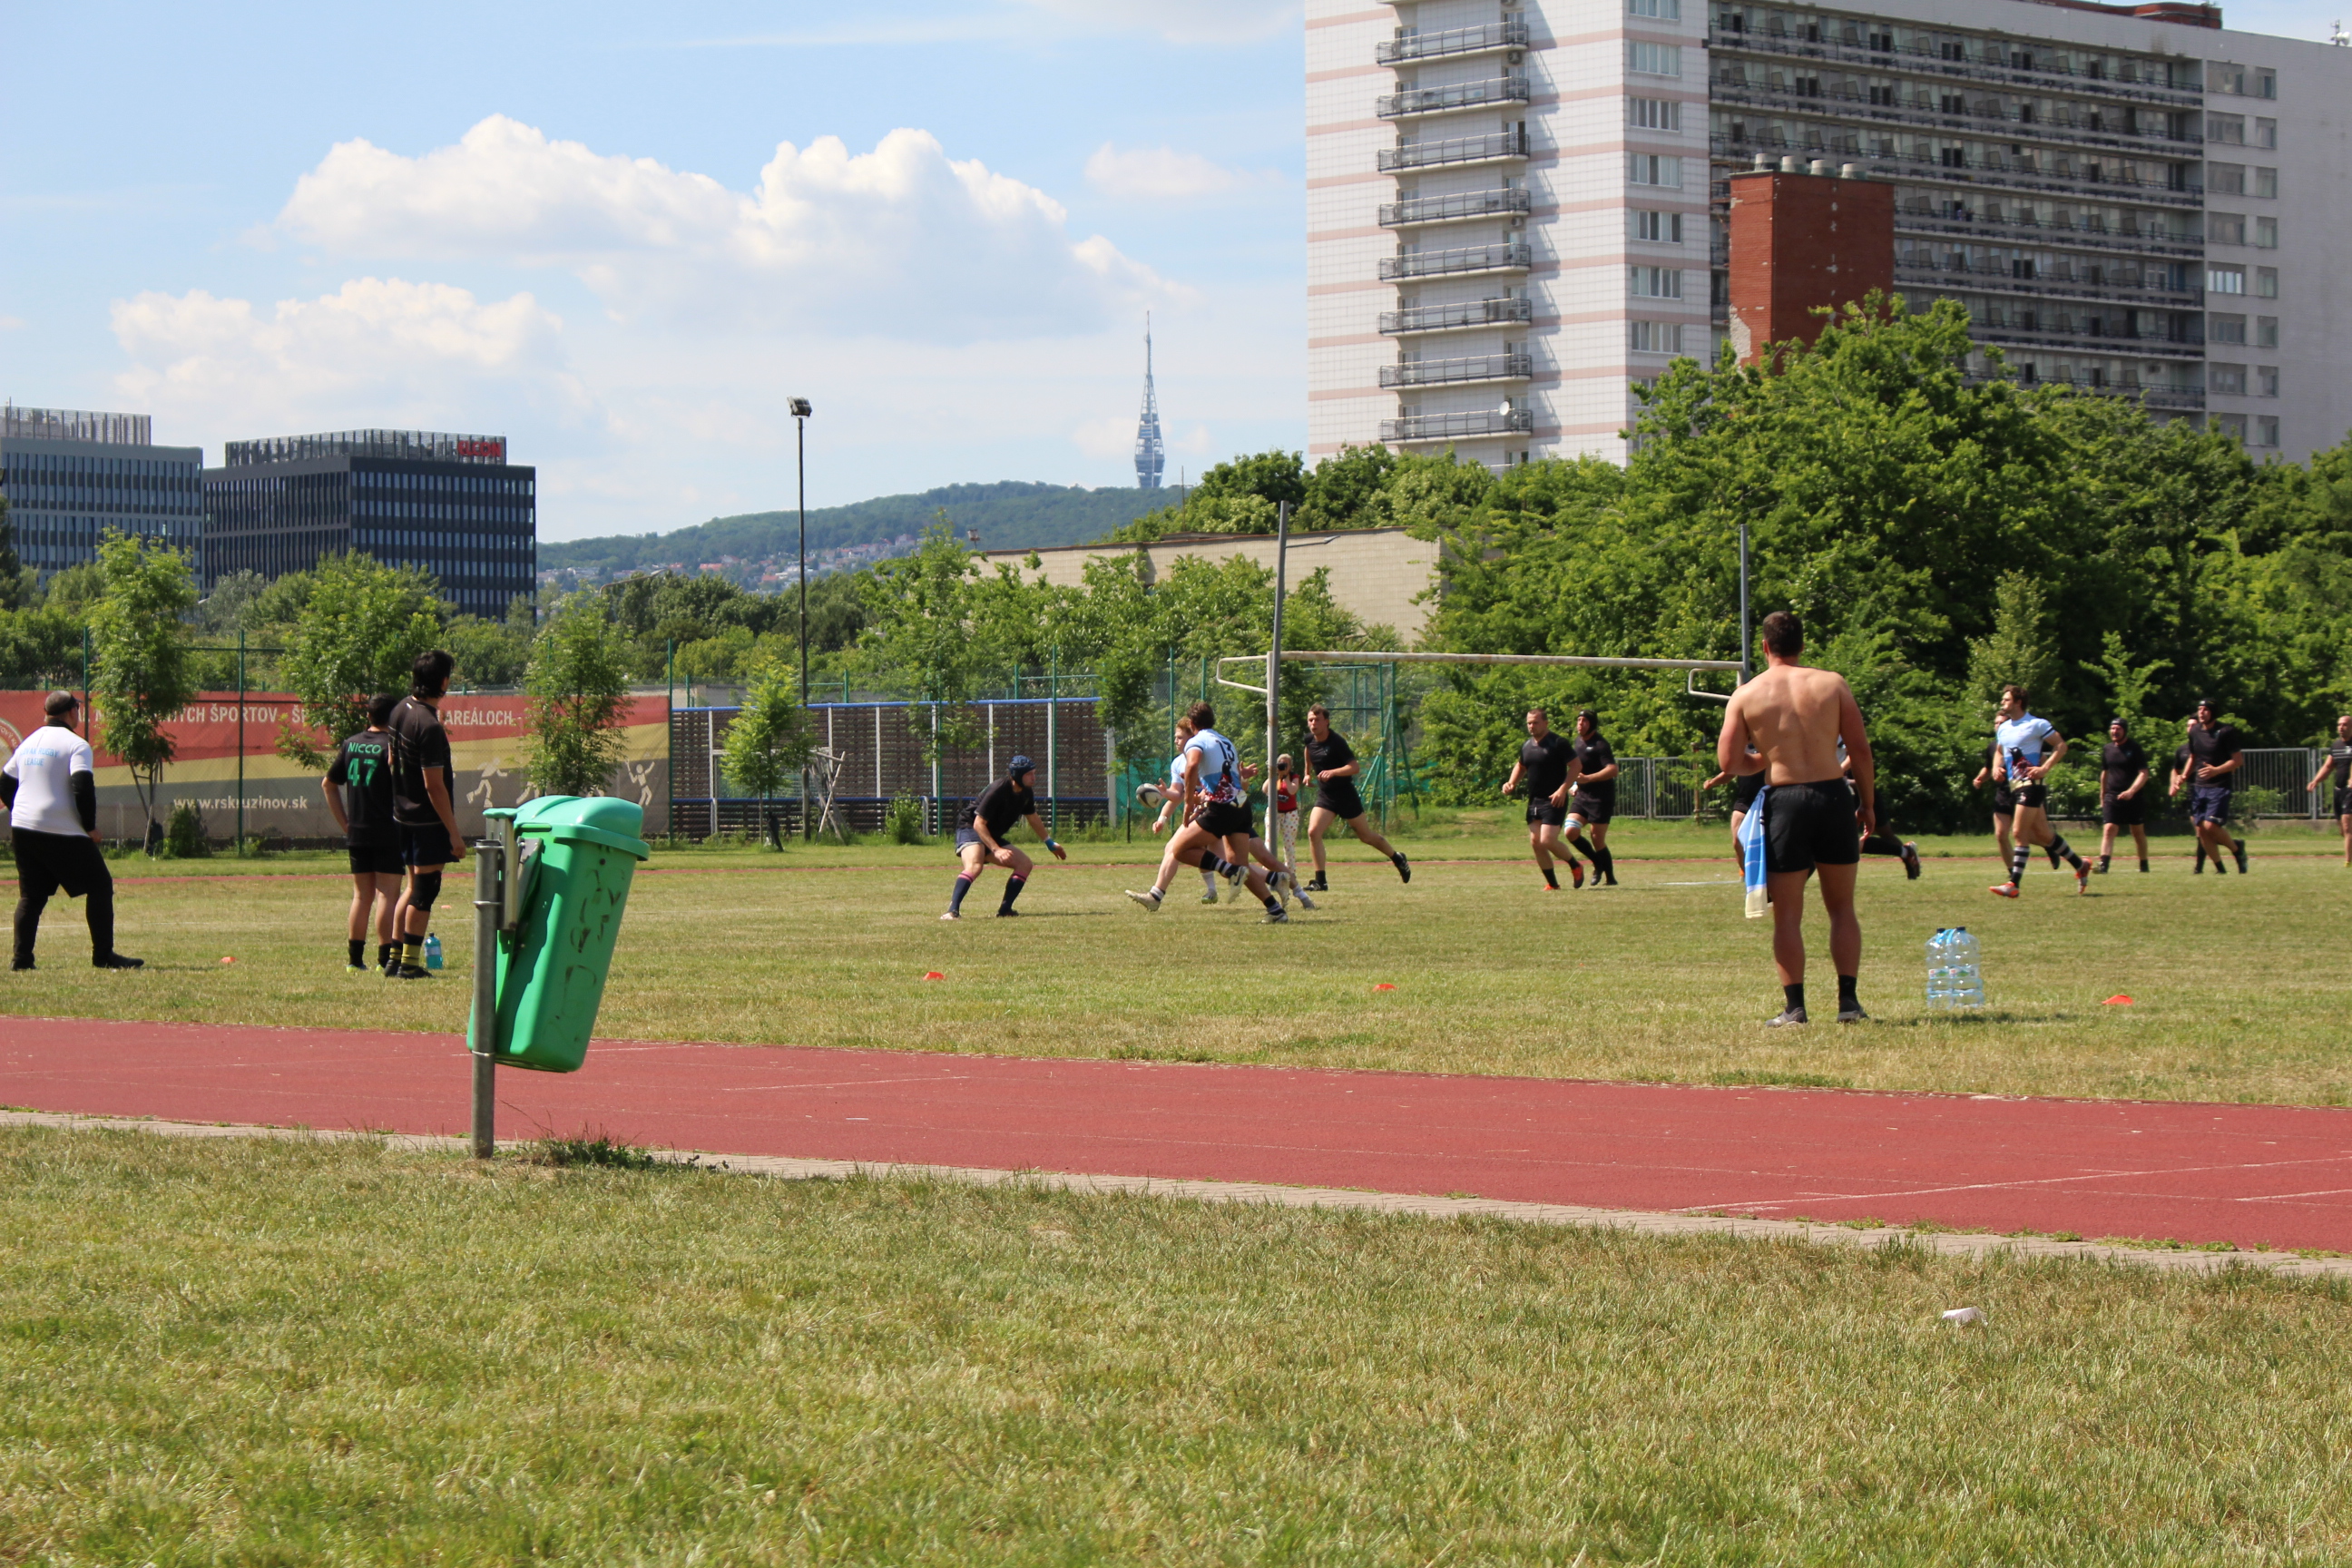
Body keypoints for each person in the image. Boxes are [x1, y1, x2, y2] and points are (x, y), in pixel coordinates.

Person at [1717, 612, 1870, 1025]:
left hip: (1785, 802)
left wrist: (1767, 758)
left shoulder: (1746, 694)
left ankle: (1795, 1008)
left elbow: (1729, 761)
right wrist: (1868, 805)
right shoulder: (1833, 683)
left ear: (1765, 646)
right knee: (1842, 908)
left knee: (1787, 914)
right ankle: (1849, 1004)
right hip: (1833, 795)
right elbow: (1860, 749)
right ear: (1803, 645)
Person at [3, 691, 141, 971]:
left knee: (31, 896)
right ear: (72, 711)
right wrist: (89, 827)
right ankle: (103, 956)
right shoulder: (77, 744)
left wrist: (22, 809)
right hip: (60, 829)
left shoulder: (29, 742)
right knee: (100, 885)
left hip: (23, 827)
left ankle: (22, 960)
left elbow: (4, 782)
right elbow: (82, 786)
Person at [1125, 702, 1289, 921]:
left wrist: (1187, 803)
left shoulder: (1197, 741)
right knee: (1240, 865)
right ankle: (1275, 910)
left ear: (1192, 723)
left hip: (1222, 808)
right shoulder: (1225, 741)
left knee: (1179, 849)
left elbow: (1192, 765)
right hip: (1242, 806)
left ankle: (1230, 872)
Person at [387, 651, 465, 980]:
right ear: (444, 681)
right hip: (427, 821)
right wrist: (454, 833)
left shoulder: (401, 709)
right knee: (426, 889)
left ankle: (394, 959)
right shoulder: (429, 725)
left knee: (412, 886)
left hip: (403, 815)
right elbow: (434, 785)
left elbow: (392, 760)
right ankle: (409, 964)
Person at [1987, 684, 2091, 899]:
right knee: (2044, 835)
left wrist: (2045, 768)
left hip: (2031, 785)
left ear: (2018, 702)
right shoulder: (2004, 728)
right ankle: (2080, 865)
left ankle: (2013, 884)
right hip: (2014, 786)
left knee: (2018, 833)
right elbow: (1999, 751)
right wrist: (1996, 767)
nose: (2002, 703)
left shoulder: (2036, 724)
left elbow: (2061, 746)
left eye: (2006, 699)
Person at [324, 694, 405, 971]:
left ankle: (355, 960)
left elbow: (328, 784)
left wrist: (346, 825)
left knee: (361, 896)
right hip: (387, 829)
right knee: (387, 894)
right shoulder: (391, 746)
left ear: (368, 716)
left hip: (357, 831)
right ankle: (385, 959)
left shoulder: (351, 743)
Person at [943, 756, 1066, 918]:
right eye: (1029, 774)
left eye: (1034, 773)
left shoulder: (1026, 792)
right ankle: (952, 911)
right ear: (1017, 775)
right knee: (975, 866)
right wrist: (996, 849)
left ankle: (1005, 910)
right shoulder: (998, 789)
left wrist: (1049, 843)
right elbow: (979, 824)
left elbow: (1032, 817)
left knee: (1025, 864)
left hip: (990, 833)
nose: (1034, 778)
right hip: (971, 828)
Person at [1301, 703, 1409, 890]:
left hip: (1345, 795)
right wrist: (1307, 773)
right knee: (1313, 832)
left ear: (1326, 722)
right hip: (1326, 795)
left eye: (1317, 720)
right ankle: (1320, 881)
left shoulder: (1337, 742)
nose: (1313, 723)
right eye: (1310, 720)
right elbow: (1308, 752)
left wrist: (1333, 772)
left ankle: (1397, 857)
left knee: (1365, 836)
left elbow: (1354, 767)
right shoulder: (1309, 740)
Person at [1502, 707, 1582, 889]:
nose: (1532, 726)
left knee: (1547, 840)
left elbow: (1576, 765)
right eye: (1529, 723)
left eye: (1535, 723)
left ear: (1546, 723)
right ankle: (1553, 884)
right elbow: (1521, 766)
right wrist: (1511, 783)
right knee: (1536, 843)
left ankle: (1575, 865)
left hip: (1554, 799)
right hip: (1535, 800)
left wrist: (1562, 789)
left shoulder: (1558, 743)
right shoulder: (1527, 745)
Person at [1147, 717, 1223, 904]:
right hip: (1202, 814)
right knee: (1224, 862)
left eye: (1180, 737)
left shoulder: (1204, 759)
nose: (1176, 741)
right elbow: (1177, 795)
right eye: (1175, 737)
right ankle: (1211, 891)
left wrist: (1201, 797)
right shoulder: (1178, 763)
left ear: (1192, 738)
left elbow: (1213, 787)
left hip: (1215, 812)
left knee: (1228, 863)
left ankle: (1155, 896)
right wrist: (1162, 813)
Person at [2180, 699, 2249, 876]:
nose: (2201, 712)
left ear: (2213, 712)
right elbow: (2193, 757)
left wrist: (2216, 770)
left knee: (2210, 826)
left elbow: (2238, 761)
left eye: (2206, 709)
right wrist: (2183, 776)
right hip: (2199, 787)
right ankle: (2220, 869)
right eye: (2200, 709)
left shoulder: (2226, 731)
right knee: (2201, 830)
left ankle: (2237, 850)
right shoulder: (2195, 731)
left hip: (2219, 786)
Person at [1845, 741, 1921, 879]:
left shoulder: (1840, 736)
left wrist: (1840, 777)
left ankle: (1907, 855)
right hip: (1854, 791)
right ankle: (1906, 853)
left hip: (1859, 792)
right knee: (1843, 840)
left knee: (1846, 840)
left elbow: (1858, 757)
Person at [1564, 709, 1619, 887]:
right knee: (1570, 831)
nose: (1580, 724)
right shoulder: (1578, 742)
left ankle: (1610, 878)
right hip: (1583, 795)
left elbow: (1613, 769)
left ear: (1592, 724)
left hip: (1601, 797)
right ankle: (1597, 863)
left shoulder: (1600, 744)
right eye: (1579, 720)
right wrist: (1575, 784)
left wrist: (1588, 779)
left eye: (1585, 721)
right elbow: (1577, 767)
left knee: (1597, 838)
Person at [2095, 718, 2152, 874]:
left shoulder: (2134, 748)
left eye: (2118, 729)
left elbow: (2144, 773)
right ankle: (2103, 865)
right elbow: (2105, 773)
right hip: (2112, 795)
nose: (2115, 731)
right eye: (2112, 728)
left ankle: (2144, 865)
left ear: (2125, 730)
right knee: (2109, 829)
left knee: (2137, 832)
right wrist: (2102, 794)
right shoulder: (2107, 749)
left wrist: (2131, 791)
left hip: (2134, 797)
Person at [2306, 714, 2352, 867]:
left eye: (2345, 724)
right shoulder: (2336, 746)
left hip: (2351, 791)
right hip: (2339, 791)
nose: (2341, 727)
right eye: (2339, 724)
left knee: (2347, 824)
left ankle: (2348, 861)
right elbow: (2328, 766)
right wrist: (2315, 781)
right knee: (2342, 829)